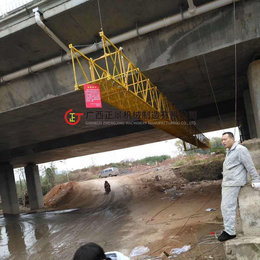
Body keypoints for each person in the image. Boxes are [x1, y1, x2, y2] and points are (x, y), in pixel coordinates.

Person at [218, 132, 260, 242]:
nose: (223, 141)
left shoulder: (240, 150)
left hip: (234, 182)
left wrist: (256, 179)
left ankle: (230, 232)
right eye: (222, 140)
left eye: (225, 139)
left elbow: (249, 165)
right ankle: (229, 229)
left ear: (232, 139)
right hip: (228, 182)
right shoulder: (229, 151)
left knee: (228, 207)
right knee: (225, 207)